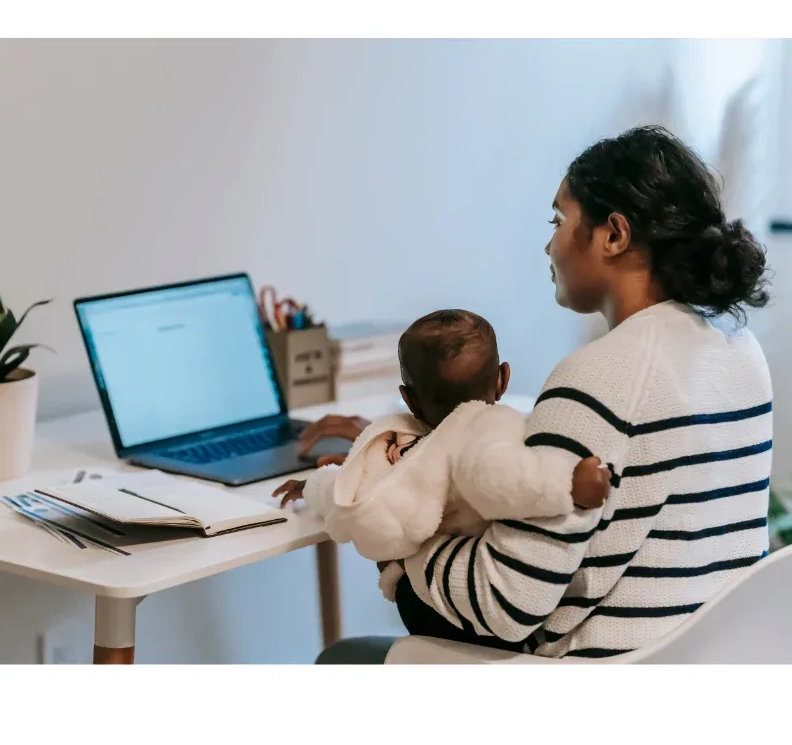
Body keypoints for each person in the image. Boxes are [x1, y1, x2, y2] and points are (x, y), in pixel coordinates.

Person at [304, 125, 773, 663]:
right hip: (708, 669)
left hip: (593, 682)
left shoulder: (598, 375)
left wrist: (391, 514)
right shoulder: (738, 348)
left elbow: (505, 603)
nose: (549, 245)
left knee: (344, 658)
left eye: (558, 221)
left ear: (613, 235)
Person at [274, 310, 610, 603]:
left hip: (431, 600)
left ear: (408, 399)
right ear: (502, 379)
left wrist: (312, 486)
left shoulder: (404, 455)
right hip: (459, 594)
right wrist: (570, 483)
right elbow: (508, 480)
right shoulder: (492, 433)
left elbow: (350, 497)